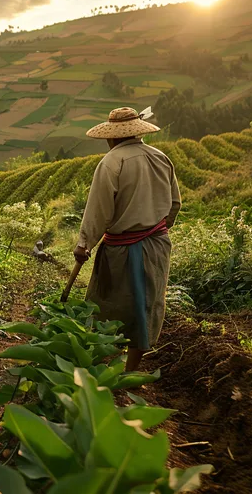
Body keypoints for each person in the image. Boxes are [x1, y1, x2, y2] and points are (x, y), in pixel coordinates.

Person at [74, 107, 181, 372]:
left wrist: (84, 243)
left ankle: (99, 365)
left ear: (111, 137)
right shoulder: (161, 158)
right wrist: (155, 229)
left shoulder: (112, 162)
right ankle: (131, 369)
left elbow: (98, 210)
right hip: (157, 245)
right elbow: (175, 204)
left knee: (108, 304)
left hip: (122, 249)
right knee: (146, 304)